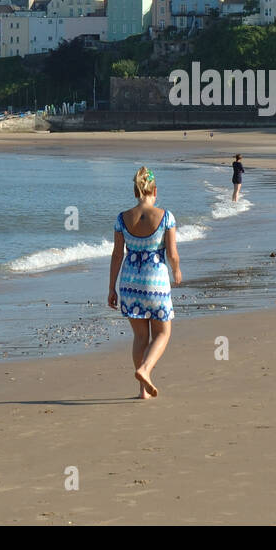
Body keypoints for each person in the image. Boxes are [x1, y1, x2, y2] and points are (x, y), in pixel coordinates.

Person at [108, 166, 181, 399]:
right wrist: (177, 270)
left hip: (129, 284)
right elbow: (172, 253)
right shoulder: (166, 216)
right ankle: (145, 369)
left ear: (135, 191)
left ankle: (143, 391)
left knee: (140, 337)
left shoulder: (122, 218)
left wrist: (111, 287)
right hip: (155, 283)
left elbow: (117, 254)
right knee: (163, 333)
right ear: (155, 190)